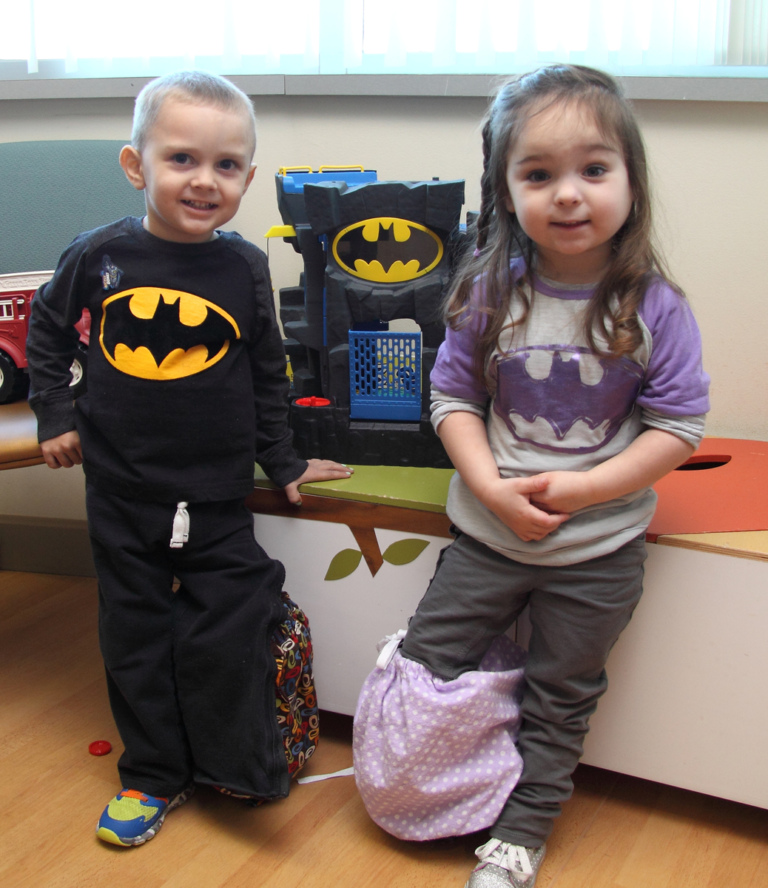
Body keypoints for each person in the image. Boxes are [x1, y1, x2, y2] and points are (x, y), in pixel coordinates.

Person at [354, 64, 709, 888]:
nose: (569, 194)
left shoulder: (655, 307)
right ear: (506, 191)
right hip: (486, 537)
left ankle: (520, 832)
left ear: (630, 179)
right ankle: (447, 790)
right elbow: (450, 397)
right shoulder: (486, 291)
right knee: (429, 660)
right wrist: (489, 488)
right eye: (538, 174)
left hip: (599, 550)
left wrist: (587, 491)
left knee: (561, 695)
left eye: (593, 169)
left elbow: (677, 427)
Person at [26, 70, 352, 848]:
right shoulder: (99, 254)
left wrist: (284, 462)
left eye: (227, 165)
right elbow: (44, 329)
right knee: (134, 634)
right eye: (180, 160)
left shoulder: (240, 267)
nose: (204, 181)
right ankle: (151, 774)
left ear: (247, 175)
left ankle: (230, 756)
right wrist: (55, 412)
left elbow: (267, 372)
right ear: (136, 165)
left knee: (224, 626)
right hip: (122, 489)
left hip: (214, 492)